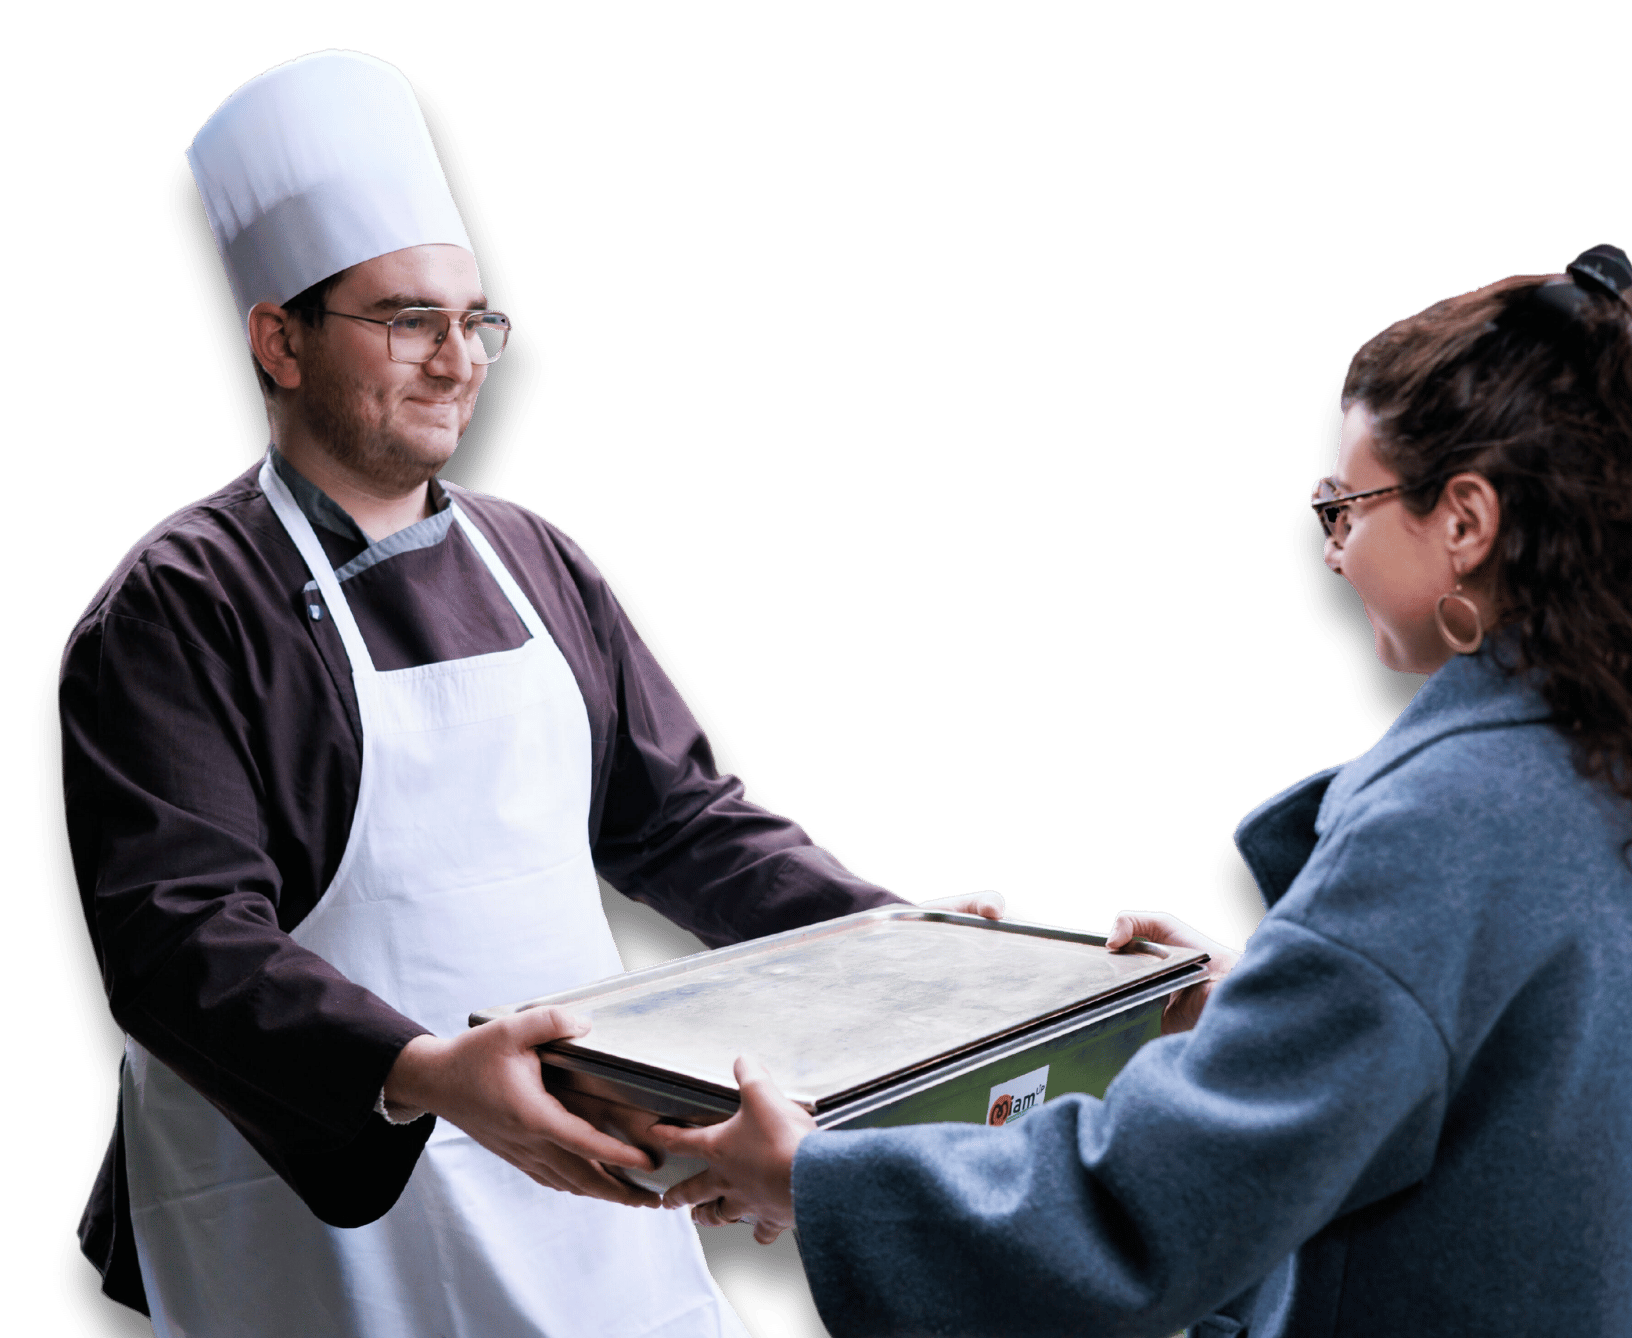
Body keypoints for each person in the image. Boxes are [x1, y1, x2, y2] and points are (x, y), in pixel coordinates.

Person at [55, 49, 1009, 1338]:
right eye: (407, 320)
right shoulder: (181, 603)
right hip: (321, 1198)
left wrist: (901, 949)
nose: (461, 361)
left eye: (478, 324)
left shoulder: (537, 560)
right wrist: (425, 1075)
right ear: (275, 338)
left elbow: (683, 823)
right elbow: (178, 940)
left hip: (584, 1163)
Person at [651, 245, 1632, 1337]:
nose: (1330, 552)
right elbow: (1542, 1073)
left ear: (1465, 522)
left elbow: (1145, 1212)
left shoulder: (1451, 815)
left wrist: (811, 1179)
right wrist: (1272, 1001)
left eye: (1345, 507)